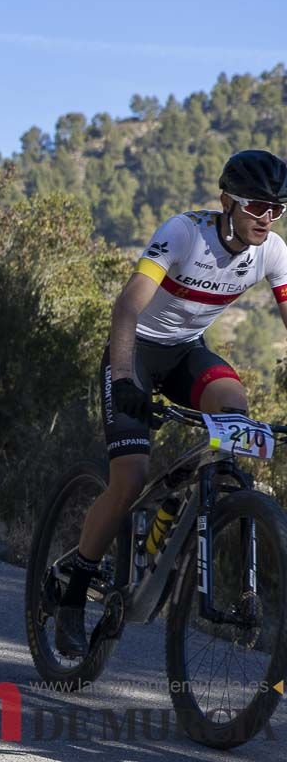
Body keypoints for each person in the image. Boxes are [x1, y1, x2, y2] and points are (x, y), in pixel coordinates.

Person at [54, 149, 287, 658]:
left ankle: (177, 520)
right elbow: (127, 306)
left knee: (234, 413)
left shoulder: (272, 251)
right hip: (135, 351)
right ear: (226, 200)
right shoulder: (185, 232)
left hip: (186, 354)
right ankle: (74, 590)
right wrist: (122, 377)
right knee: (131, 478)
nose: (265, 218)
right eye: (254, 206)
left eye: (276, 208)